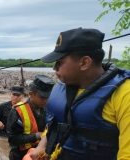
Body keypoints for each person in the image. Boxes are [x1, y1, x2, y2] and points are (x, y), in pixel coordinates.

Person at [30, 28, 130, 160]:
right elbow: (55, 125)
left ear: (84, 63)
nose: (54, 68)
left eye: (59, 62)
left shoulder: (124, 94)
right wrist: (42, 146)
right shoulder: (62, 86)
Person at [6, 75, 54, 160]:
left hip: (40, 154)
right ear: (31, 94)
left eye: (48, 97)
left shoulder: (49, 108)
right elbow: (12, 139)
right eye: (42, 97)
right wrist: (37, 136)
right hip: (20, 155)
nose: (46, 101)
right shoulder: (17, 111)